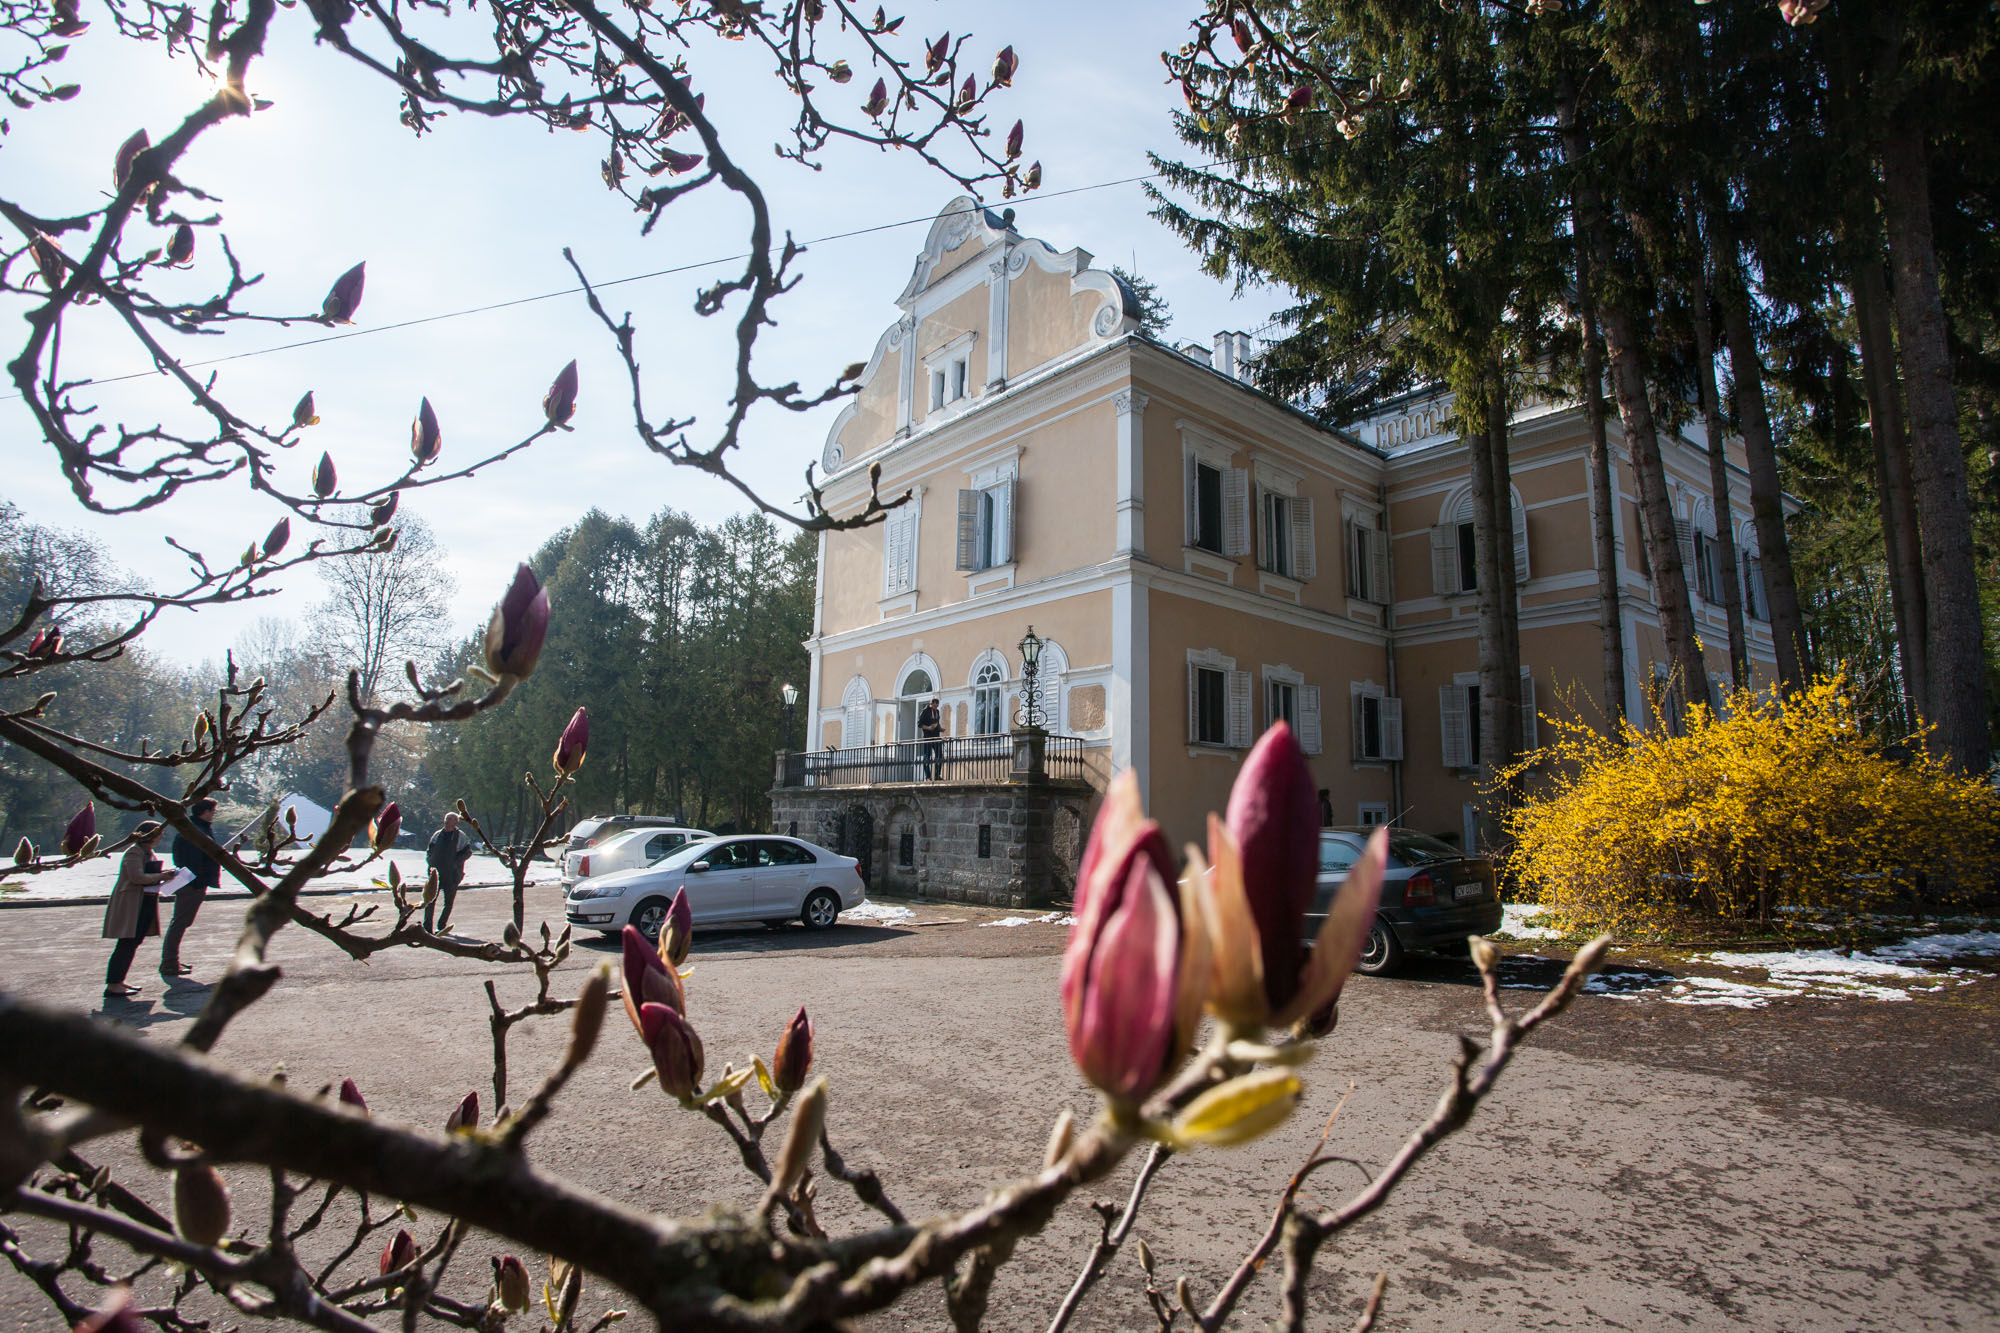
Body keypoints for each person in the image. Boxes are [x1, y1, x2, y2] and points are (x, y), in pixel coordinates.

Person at [103, 821, 170, 998]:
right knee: (126, 942)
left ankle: (119, 981)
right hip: (131, 903)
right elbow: (137, 877)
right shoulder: (134, 852)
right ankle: (113, 984)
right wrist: (162, 876)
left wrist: (166, 877)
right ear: (150, 834)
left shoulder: (148, 852)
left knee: (133, 942)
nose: (162, 836)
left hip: (144, 901)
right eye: (159, 833)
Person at [160, 798, 225, 979]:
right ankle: (169, 963)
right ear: (204, 812)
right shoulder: (195, 831)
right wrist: (198, 881)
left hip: (191, 881)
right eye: (213, 811)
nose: (214, 814)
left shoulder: (194, 828)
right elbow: (193, 859)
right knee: (180, 922)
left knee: (181, 922)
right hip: (192, 883)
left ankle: (171, 961)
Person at [424, 812, 475, 933]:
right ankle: (427, 928)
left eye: (450, 819)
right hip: (435, 874)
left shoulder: (460, 836)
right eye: (446, 818)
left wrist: (455, 863)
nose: (447, 821)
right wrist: (430, 861)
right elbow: (429, 850)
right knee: (429, 901)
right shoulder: (437, 834)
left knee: (448, 903)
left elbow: (467, 852)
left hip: (452, 875)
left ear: (455, 822)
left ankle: (441, 926)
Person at [918, 696, 943, 780]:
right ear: (930, 704)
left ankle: (937, 775)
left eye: (937, 705)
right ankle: (928, 776)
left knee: (939, 756)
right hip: (928, 737)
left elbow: (937, 723)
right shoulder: (925, 712)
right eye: (934, 705)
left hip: (936, 737)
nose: (936, 707)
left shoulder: (937, 712)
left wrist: (940, 728)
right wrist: (928, 728)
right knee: (927, 757)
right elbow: (919, 724)